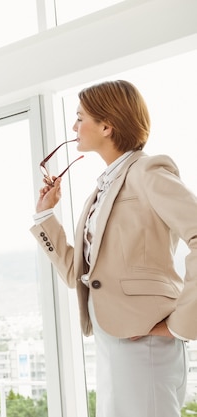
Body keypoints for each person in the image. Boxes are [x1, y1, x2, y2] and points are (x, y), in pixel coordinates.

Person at [32, 80, 197, 417]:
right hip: (112, 336)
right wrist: (45, 214)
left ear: (106, 125)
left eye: (80, 118)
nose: (74, 127)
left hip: (145, 336)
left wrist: (181, 324)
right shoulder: (103, 188)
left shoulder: (148, 171)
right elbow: (78, 274)